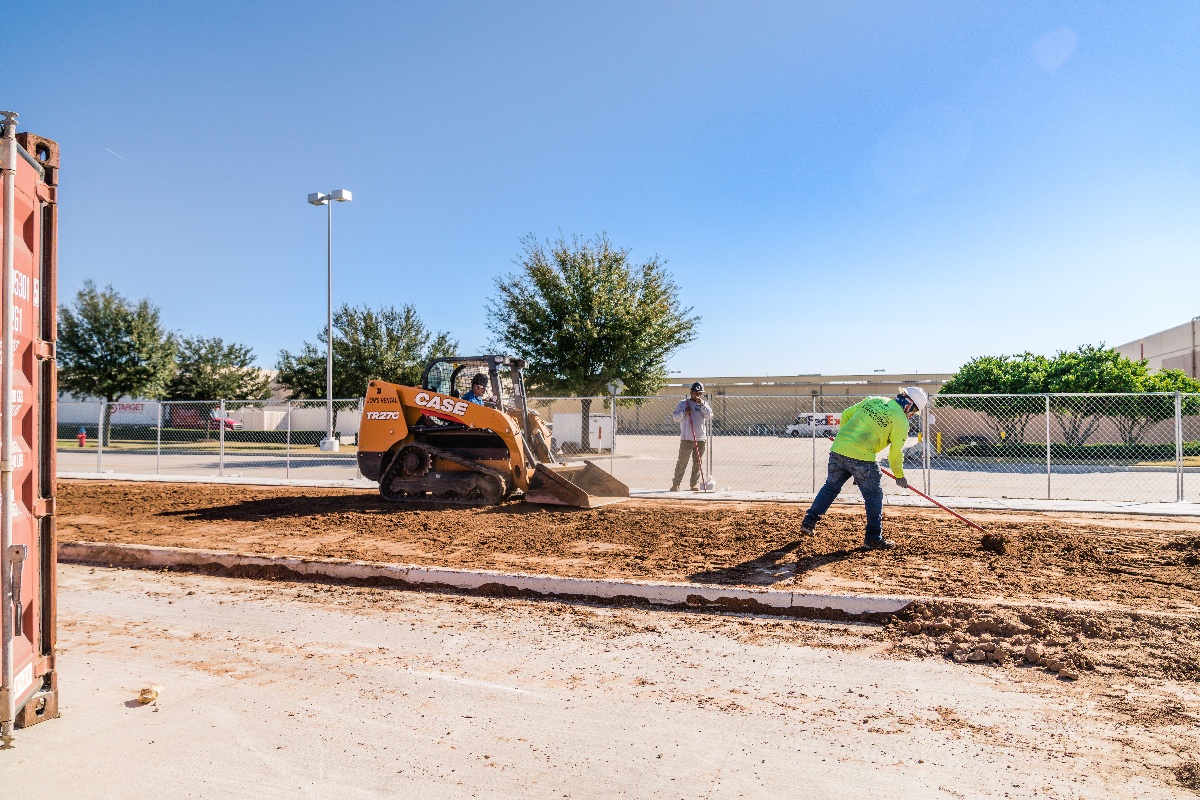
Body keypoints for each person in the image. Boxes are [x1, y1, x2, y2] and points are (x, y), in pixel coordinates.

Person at [799, 387, 932, 550]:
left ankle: (809, 521)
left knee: (831, 487)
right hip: (864, 459)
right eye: (914, 411)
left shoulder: (874, 399)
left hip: (838, 450)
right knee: (873, 496)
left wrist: (846, 439)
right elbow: (895, 454)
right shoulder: (901, 422)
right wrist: (899, 476)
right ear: (909, 405)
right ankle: (873, 538)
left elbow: (847, 414)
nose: (912, 415)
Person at [670, 382, 713, 491]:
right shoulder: (683, 404)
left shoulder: (703, 404)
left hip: (700, 438)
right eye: (696, 393)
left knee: (697, 463)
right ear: (691, 393)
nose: (698, 395)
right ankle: (676, 484)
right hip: (687, 438)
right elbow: (675, 417)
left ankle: (694, 484)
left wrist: (702, 404)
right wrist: (684, 412)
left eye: (700, 393)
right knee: (682, 462)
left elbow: (709, 416)